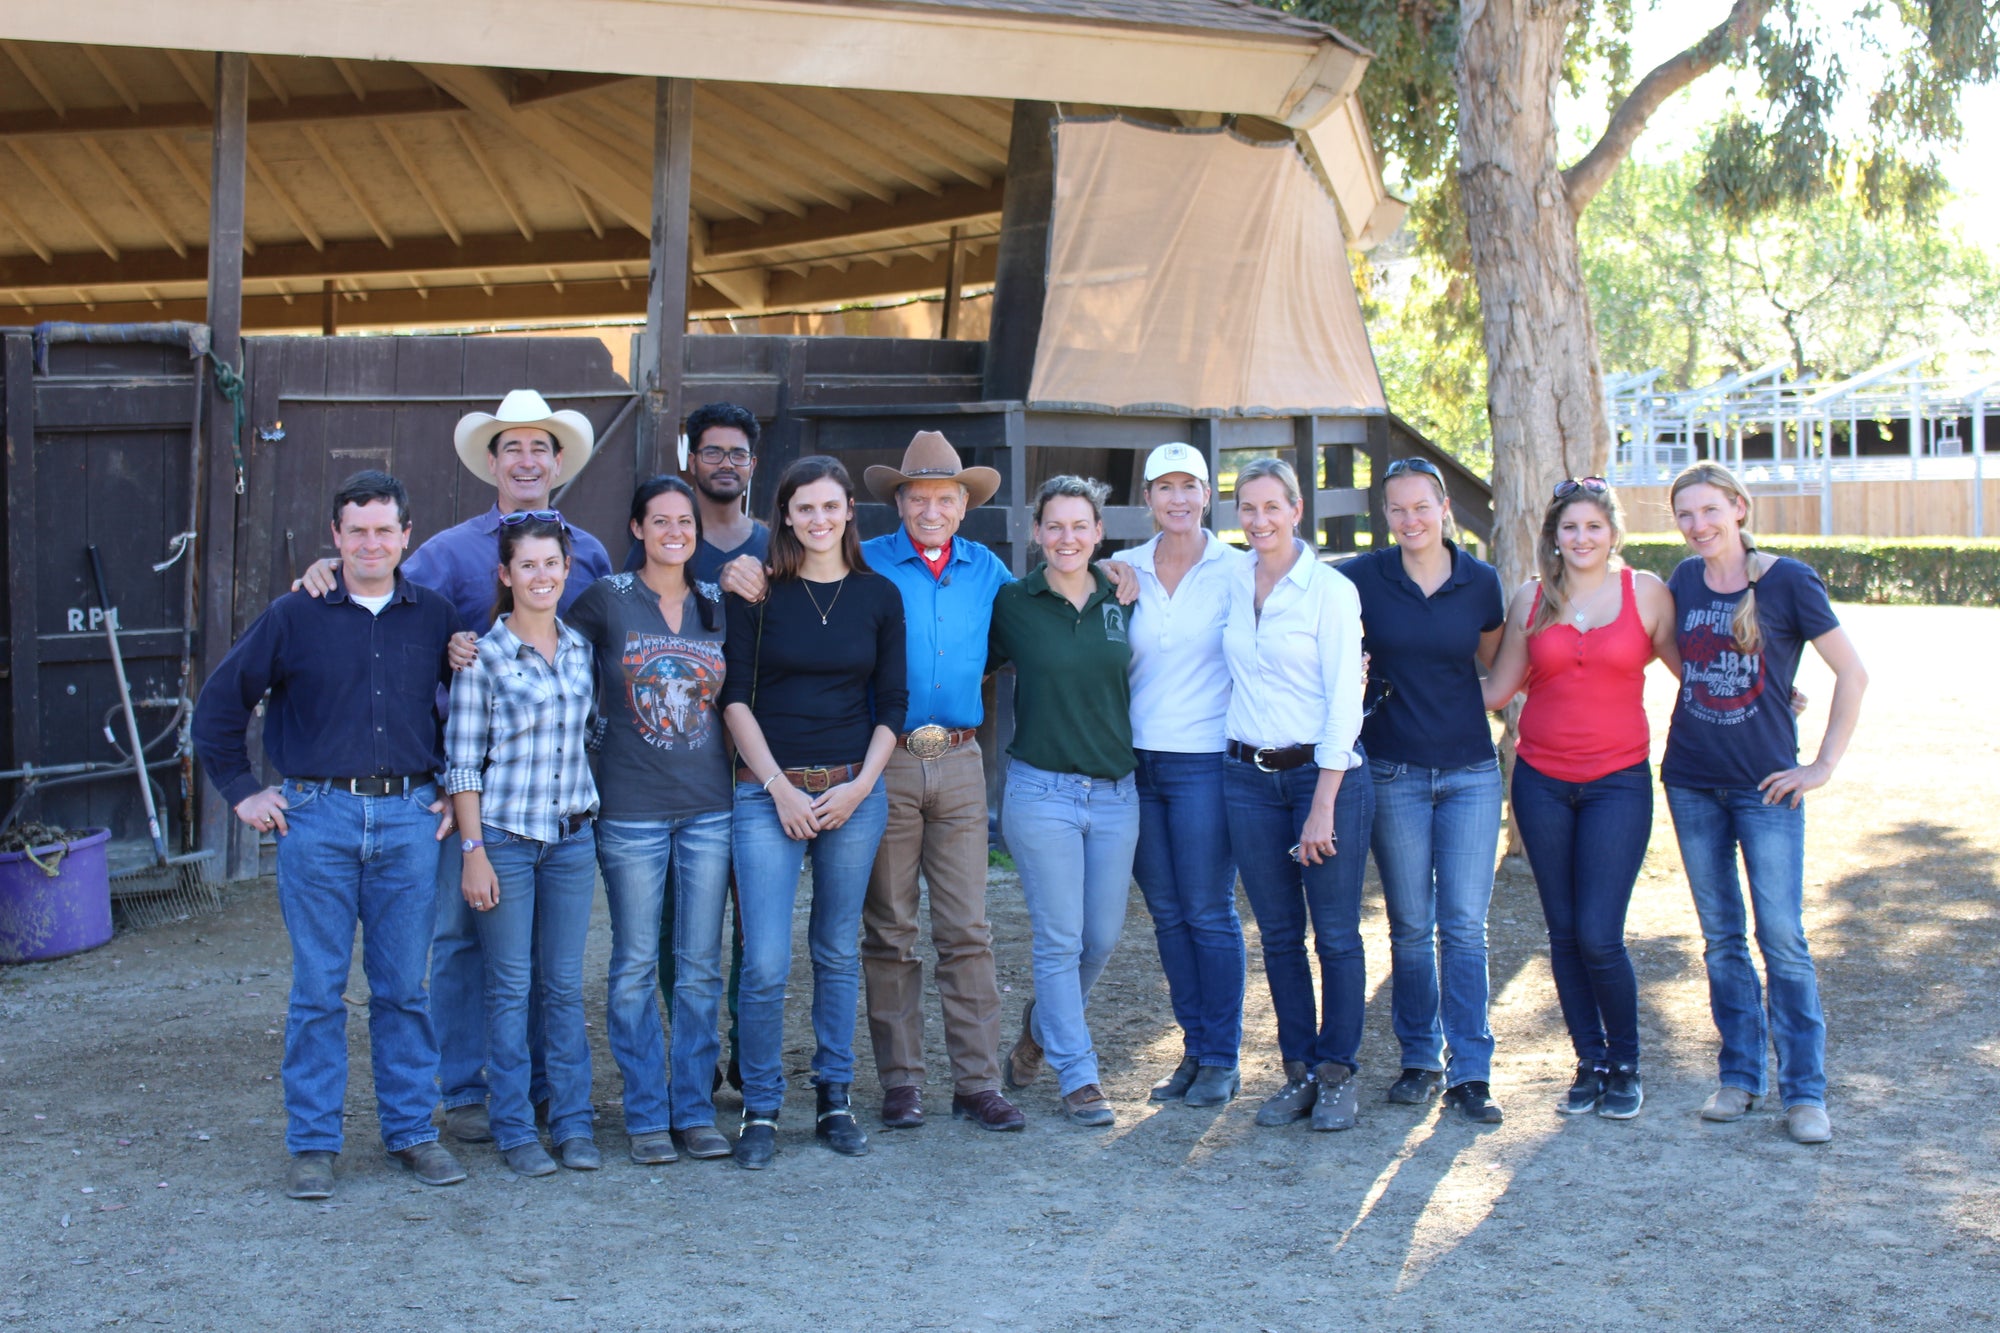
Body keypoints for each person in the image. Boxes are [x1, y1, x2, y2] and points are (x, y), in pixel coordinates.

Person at [300, 389, 613, 1147]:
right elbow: (384, 594)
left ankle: (539, 1083)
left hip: (555, 780)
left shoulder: (592, 553)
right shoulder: (448, 550)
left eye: (540, 447)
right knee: (464, 932)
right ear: (493, 461)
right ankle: (467, 1084)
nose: (528, 460)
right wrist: (324, 568)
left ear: (559, 460)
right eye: (514, 448)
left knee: (543, 948)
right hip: (467, 779)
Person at [191, 470, 465, 1201]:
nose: (371, 543)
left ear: (407, 535)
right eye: (357, 531)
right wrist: (244, 792)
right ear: (336, 537)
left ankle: (411, 1131)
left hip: (409, 819)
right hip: (318, 819)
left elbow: (472, 709)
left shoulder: (435, 615)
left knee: (404, 987)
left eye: (385, 530)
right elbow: (219, 707)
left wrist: (454, 791)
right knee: (318, 987)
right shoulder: (294, 613)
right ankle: (313, 1143)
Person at [1661, 462, 1866, 1145]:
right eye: (1685, 514)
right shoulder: (1684, 580)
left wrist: (1822, 765)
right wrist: (1772, 681)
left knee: (1781, 938)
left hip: (1767, 787)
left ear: (1740, 507)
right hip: (1691, 779)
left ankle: (1805, 1092)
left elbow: (1853, 672)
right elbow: (1683, 657)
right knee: (1721, 939)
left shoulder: (1788, 579)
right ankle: (1740, 1077)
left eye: (1710, 510)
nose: (1698, 525)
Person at [722, 456, 907, 1169]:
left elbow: (892, 704)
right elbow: (734, 696)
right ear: (785, 515)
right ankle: (762, 1105)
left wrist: (860, 785)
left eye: (831, 506)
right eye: (805, 509)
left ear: (850, 511)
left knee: (835, 950)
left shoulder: (878, 597)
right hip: (768, 791)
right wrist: (777, 787)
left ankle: (835, 1095)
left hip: (851, 794)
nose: (819, 519)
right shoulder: (757, 593)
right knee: (765, 959)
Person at [1481, 478, 1680, 1120]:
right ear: (1554, 537)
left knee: (1599, 933)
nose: (1582, 537)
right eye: (1570, 528)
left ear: (1613, 532)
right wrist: (1407, 671)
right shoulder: (1531, 600)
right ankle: (1589, 1063)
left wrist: (1770, 690)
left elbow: (1696, 671)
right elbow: (1496, 689)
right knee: (1563, 932)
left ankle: (1626, 1063)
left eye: (1594, 526)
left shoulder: (1645, 592)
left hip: (1617, 782)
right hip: (1540, 780)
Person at [854, 432, 1025, 1133]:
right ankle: (901, 1081)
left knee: (967, 928)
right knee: (890, 926)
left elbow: (1026, 631)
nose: (931, 510)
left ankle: (978, 1080)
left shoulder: (987, 570)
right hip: (884, 756)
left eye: (944, 499)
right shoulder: (863, 562)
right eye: (917, 497)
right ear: (898, 501)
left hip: (959, 756)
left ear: (964, 504)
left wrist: (1115, 582)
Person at [568, 477, 735, 1165]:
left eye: (685, 521)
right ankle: (644, 1111)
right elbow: (542, 647)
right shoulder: (607, 600)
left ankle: (693, 1109)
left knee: (698, 967)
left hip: (708, 808)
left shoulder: (718, 603)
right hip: (631, 808)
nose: (674, 531)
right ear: (636, 527)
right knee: (636, 963)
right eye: (659, 520)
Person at [1338, 457, 1508, 1123]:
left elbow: (1496, 663)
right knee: (1410, 926)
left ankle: (1472, 1069)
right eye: (1397, 509)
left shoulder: (1480, 582)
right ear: (1387, 516)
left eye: (1421, 506)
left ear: (1445, 509)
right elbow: (1291, 582)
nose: (1411, 519)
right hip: (1394, 772)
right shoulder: (1363, 578)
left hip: (1469, 772)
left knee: (1463, 926)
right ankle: (1419, 1059)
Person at [1219, 458, 1374, 1131]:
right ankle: (1298, 1069)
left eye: (1270, 507)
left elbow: (1347, 699)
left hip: (1323, 774)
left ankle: (1339, 1072)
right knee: (1278, 935)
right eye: (1247, 508)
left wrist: (1323, 804)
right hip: (1247, 778)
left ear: (1296, 509)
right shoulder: (1229, 581)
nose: (1258, 520)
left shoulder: (1330, 591)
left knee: (1335, 934)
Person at [445, 514, 601, 1177]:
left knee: (564, 986)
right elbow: (462, 762)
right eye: (527, 566)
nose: (542, 576)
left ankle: (570, 1120)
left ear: (568, 569)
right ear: (506, 575)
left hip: (571, 840)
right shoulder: (482, 656)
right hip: (506, 839)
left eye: (552, 564)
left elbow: (592, 734)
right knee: (509, 988)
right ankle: (513, 1127)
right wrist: (472, 848)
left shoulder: (581, 649)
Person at [989, 476, 1141, 1129]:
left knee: (1100, 937)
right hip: (1041, 788)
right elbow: (974, 669)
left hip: (1115, 792)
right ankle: (1079, 1076)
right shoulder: (1014, 603)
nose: (1068, 537)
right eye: (1055, 526)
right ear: (1036, 532)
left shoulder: (1124, 594)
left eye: (1080, 525)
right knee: (1058, 938)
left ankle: (1039, 1030)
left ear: (1099, 532)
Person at [1121, 442, 1246, 1107]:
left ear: (1206, 496)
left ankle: (1223, 1055)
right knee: (1167, 912)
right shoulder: (1124, 569)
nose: (1176, 498)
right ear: (1146, 498)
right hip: (1138, 761)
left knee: (1207, 908)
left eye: (1188, 486)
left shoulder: (1238, 568)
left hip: (1205, 760)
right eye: (1163, 487)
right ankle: (1194, 1048)